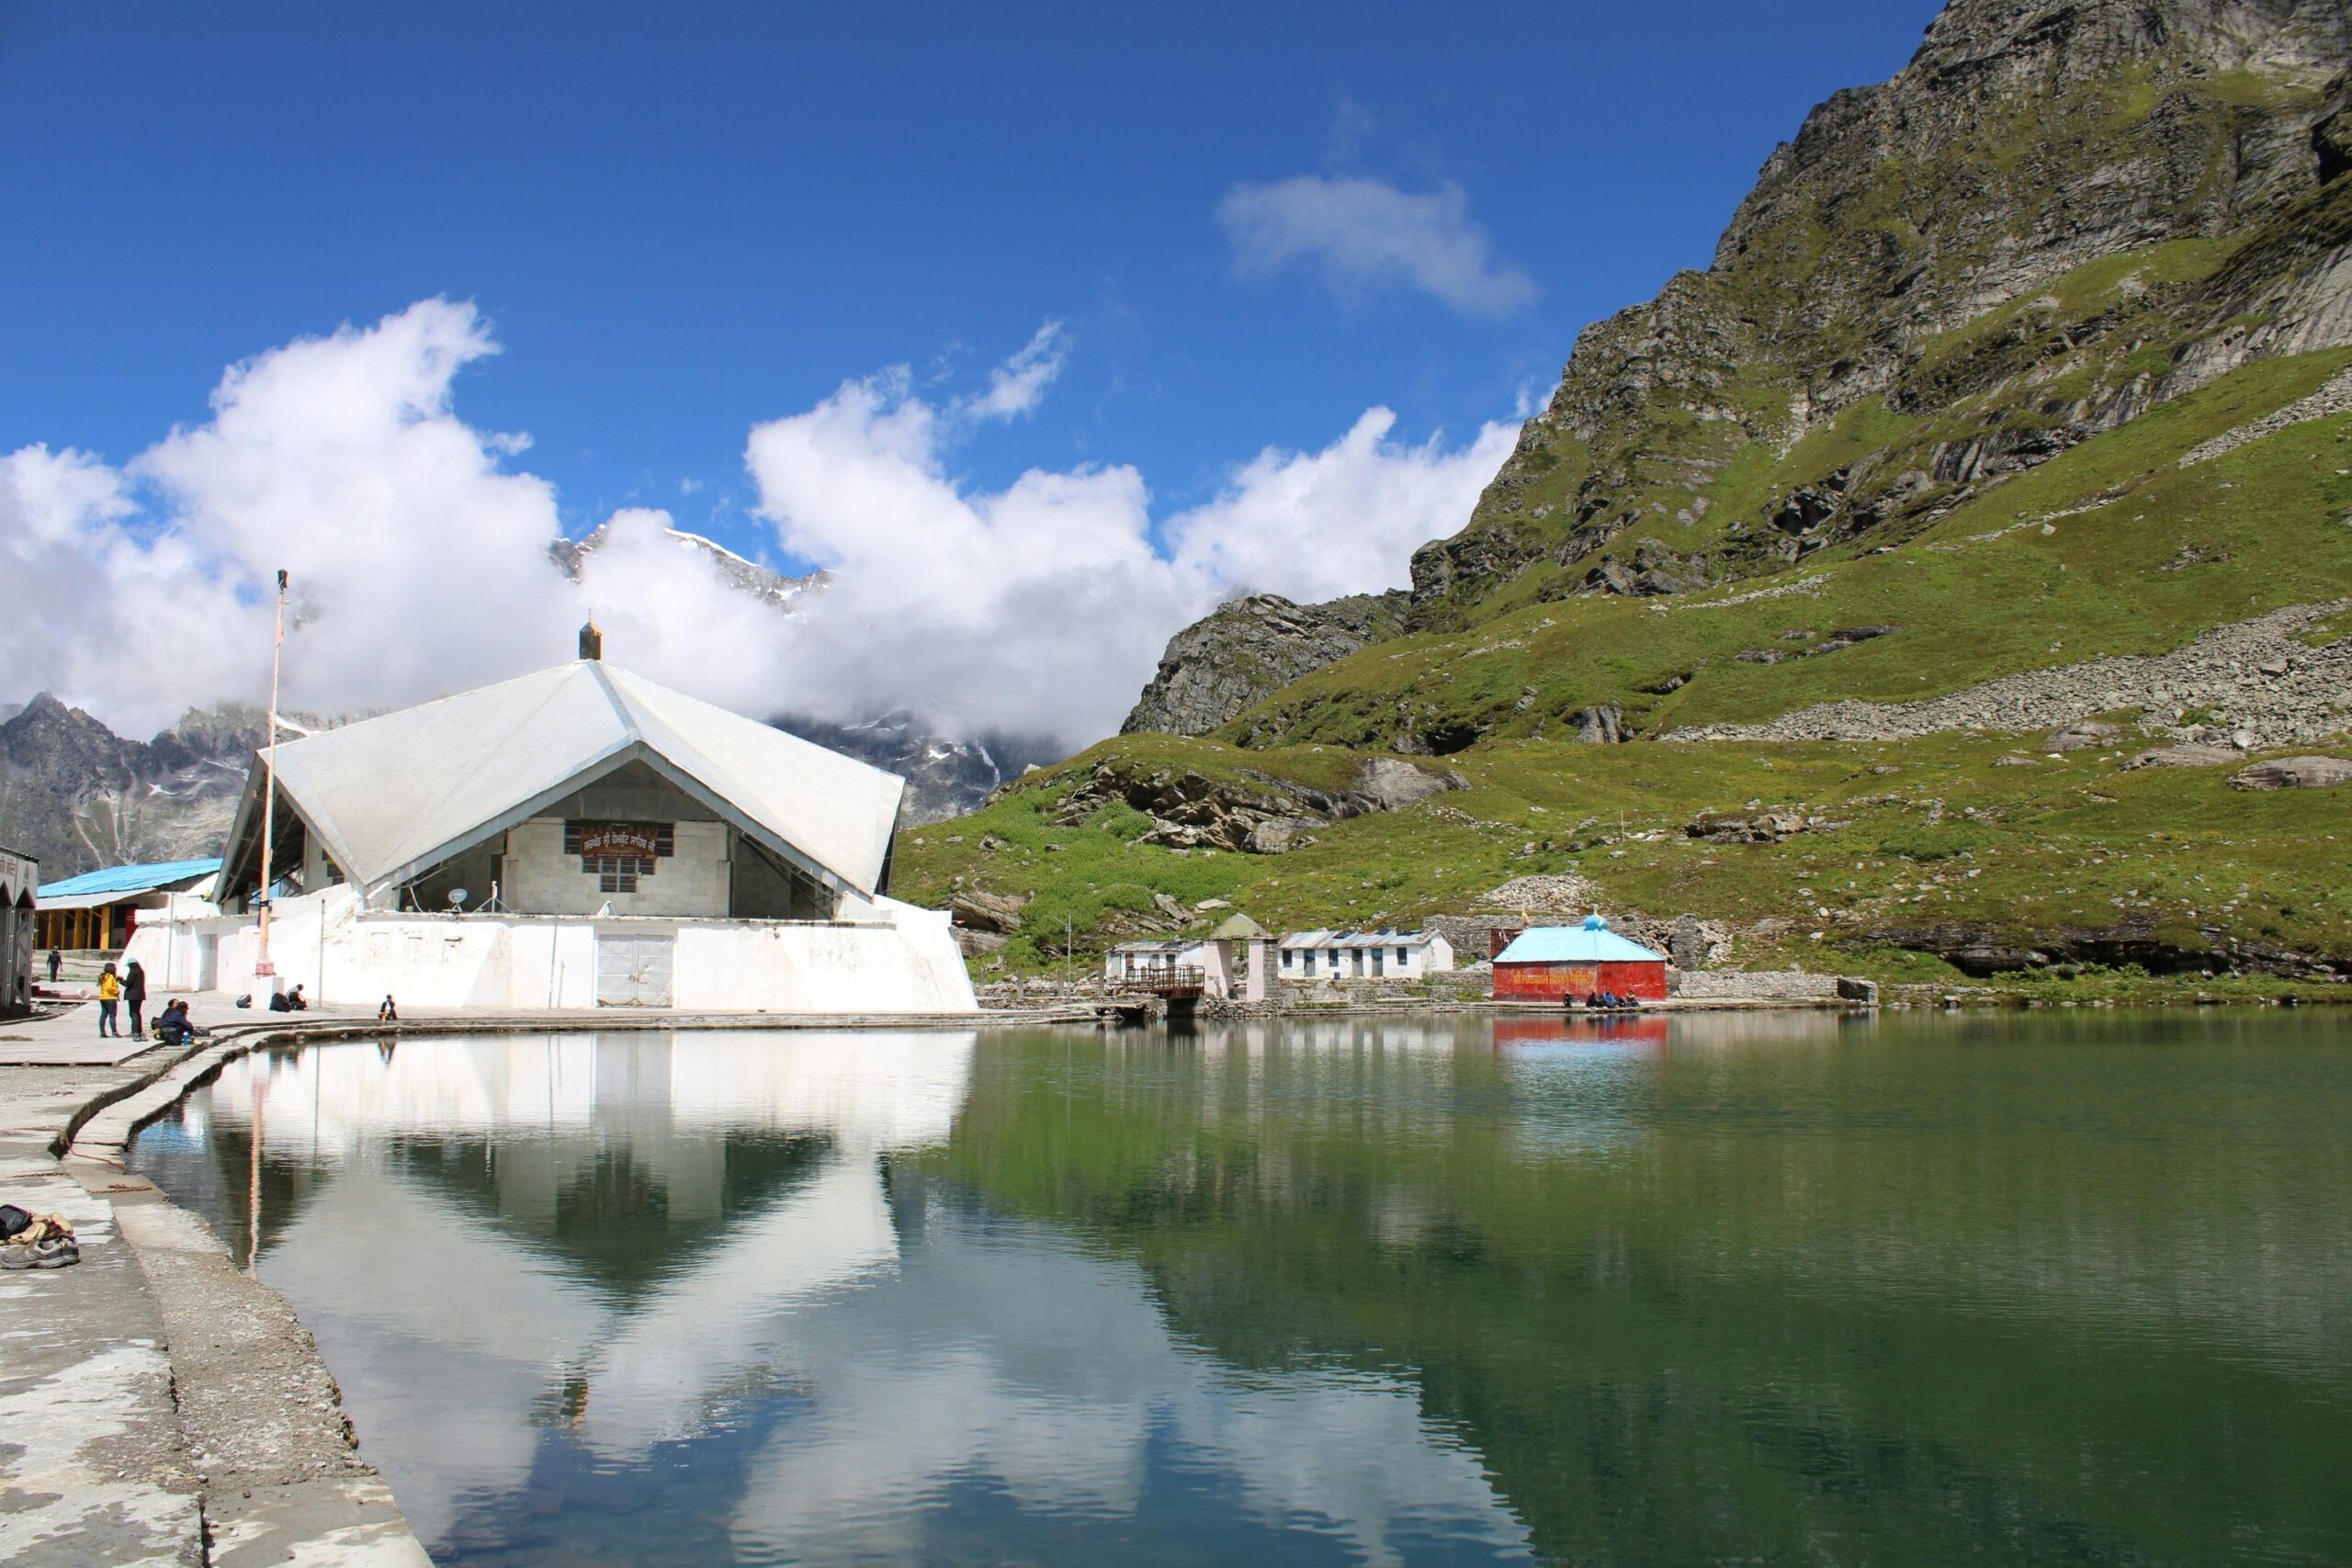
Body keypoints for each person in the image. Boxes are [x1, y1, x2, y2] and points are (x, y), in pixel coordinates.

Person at [122, 959, 147, 1036]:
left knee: (133, 1013)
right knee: (137, 1013)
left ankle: (135, 1031)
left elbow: (128, 983)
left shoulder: (133, 972)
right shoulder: (141, 971)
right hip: (139, 995)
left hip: (133, 995)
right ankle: (139, 1030)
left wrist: (121, 980)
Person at [96, 963, 122, 1037]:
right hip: (110, 998)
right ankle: (114, 1032)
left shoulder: (103, 976)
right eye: (114, 968)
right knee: (112, 1016)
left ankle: (102, 1032)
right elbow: (109, 987)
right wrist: (116, 991)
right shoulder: (110, 976)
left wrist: (115, 980)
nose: (115, 969)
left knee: (103, 1015)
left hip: (103, 998)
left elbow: (105, 985)